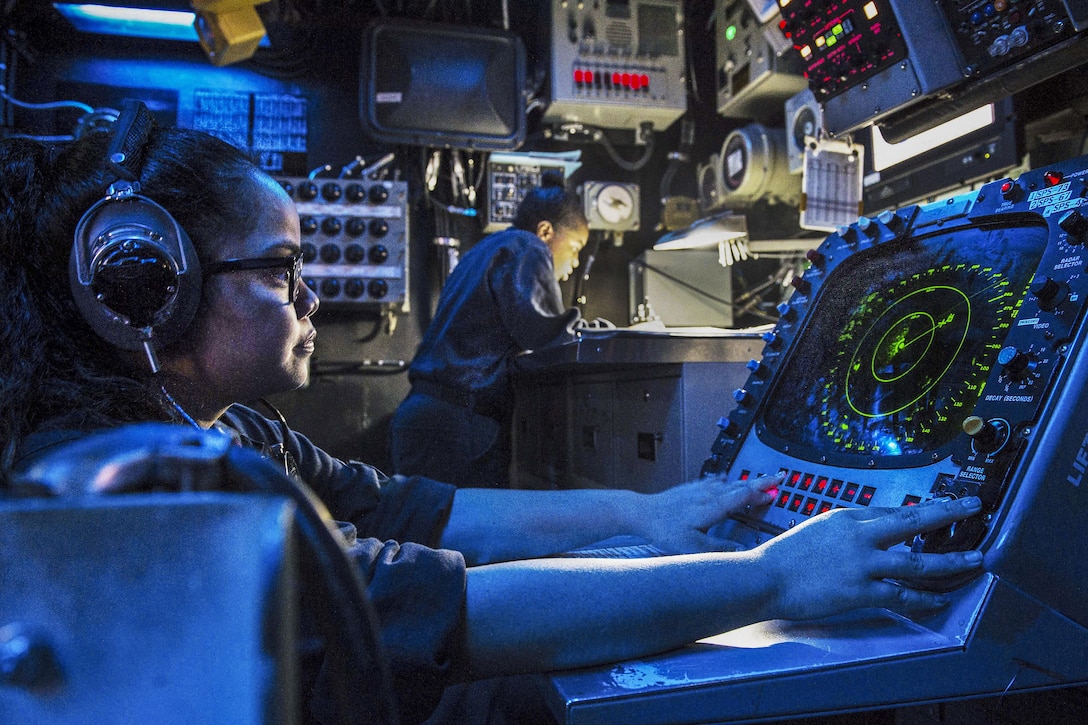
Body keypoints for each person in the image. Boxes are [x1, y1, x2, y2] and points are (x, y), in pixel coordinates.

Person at [0, 116, 986, 725]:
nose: (308, 295)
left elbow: (433, 512)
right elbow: (446, 610)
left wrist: (653, 518)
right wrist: (775, 573)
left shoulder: (223, 429)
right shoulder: (130, 487)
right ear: (148, 291)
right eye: (279, 267)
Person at [389, 173, 589, 487]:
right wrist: (592, 333)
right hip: (458, 425)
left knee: (426, 532)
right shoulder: (527, 247)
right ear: (546, 231)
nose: (575, 262)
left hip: (426, 416)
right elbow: (544, 333)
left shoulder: (487, 248)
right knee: (465, 534)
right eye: (576, 247)